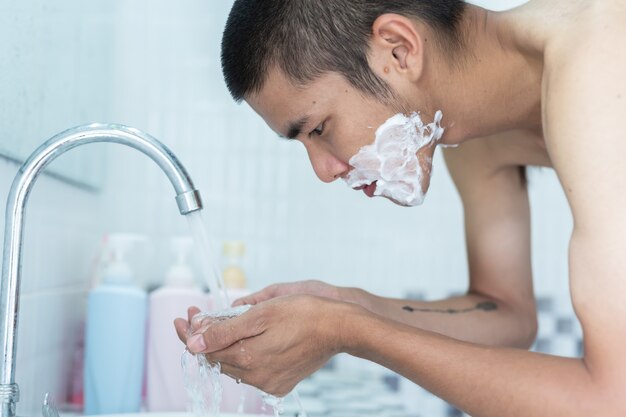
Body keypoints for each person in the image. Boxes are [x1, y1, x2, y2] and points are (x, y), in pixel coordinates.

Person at [174, 0, 626, 415]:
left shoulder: (598, 60)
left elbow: (608, 400)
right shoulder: (472, 136)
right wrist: (349, 305)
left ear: (398, 50)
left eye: (318, 129)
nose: (323, 171)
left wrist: (347, 329)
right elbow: (507, 315)